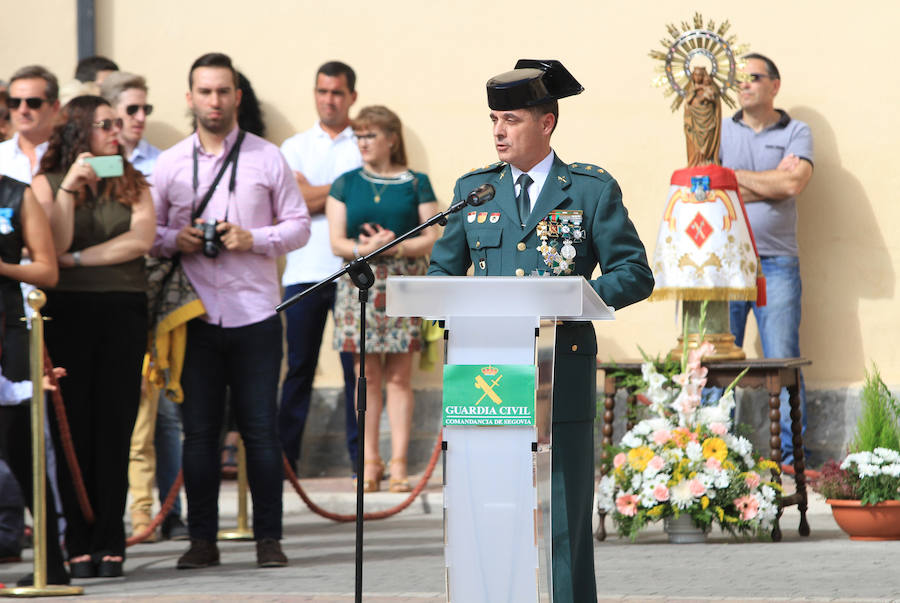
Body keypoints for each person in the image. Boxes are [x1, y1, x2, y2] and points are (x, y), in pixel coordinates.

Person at [427, 59, 654, 602]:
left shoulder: (590, 191)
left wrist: (577, 302)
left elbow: (634, 272)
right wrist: (448, 309)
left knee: (565, 511)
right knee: (486, 504)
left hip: (561, 369)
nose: (499, 132)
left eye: (510, 119)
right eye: (493, 120)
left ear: (546, 123)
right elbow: (440, 274)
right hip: (487, 374)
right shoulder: (473, 192)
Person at [150, 52, 310, 570]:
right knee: (199, 434)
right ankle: (202, 541)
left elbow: (299, 226)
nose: (214, 101)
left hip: (257, 312)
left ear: (237, 96)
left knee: (261, 431)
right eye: (205, 91)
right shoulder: (170, 163)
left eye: (223, 91)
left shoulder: (267, 157)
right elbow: (147, 236)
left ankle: (269, 538)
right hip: (193, 315)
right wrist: (180, 238)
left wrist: (253, 238)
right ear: (191, 97)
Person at [31, 94, 156, 579]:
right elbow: (52, 244)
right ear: (79, 131)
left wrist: (80, 259)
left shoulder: (131, 180)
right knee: (71, 429)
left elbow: (140, 240)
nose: (116, 131)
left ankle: (110, 538)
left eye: (117, 123)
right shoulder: (48, 182)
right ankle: (77, 542)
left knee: (115, 426)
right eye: (105, 124)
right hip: (69, 312)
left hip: (122, 310)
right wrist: (70, 191)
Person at [326, 105, 438, 492]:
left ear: (391, 138)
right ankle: (368, 463)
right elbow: (336, 240)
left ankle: (399, 464)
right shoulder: (345, 182)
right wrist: (366, 246)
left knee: (399, 377)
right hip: (361, 280)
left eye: (370, 135)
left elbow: (432, 235)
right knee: (367, 376)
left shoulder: (416, 181)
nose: (363, 143)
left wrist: (395, 245)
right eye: (358, 136)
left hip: (404, 280)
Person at [720, 53, 814, 465]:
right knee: (717, 357)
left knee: (783, 358)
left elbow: (793, 183)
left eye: (753, 77)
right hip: (723, 265)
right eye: (738, 78)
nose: (744, 84)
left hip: (777, 262)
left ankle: (792, 458)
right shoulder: (718, 130)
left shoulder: (796, 130)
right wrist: (768, 182)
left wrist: (734, 177)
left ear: (774, 85)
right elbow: (707, 185)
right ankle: (711, 451)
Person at [278, 61, 362, 476]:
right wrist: (347, 188)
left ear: (352, 97)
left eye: (337, 92)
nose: (329, 99)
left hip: (353, 273)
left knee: (356, 372)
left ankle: (362, 464)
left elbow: (366, 202)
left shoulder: (362, 143)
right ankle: (284, 464)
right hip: (302, 272)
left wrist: (316, 192)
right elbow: (291, 204)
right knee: (297, 368)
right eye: (322, 91)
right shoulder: (292, 146)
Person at [0, 174, 61, 586]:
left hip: (9, 333)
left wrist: (3, 267)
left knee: (21, 451)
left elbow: (47, 270)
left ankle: (49, 559)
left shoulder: (14, 193)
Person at [0, 66, 60, 183]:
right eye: (14, 103)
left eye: (33, 103)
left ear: (55, 107)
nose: (23, 110)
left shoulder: (69, 154)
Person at [100, 72, 161, 176]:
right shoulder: (94, 160)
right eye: (132, 109)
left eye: (146, 109)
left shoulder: (161, 162)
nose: (141, 118)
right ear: (110, 110)